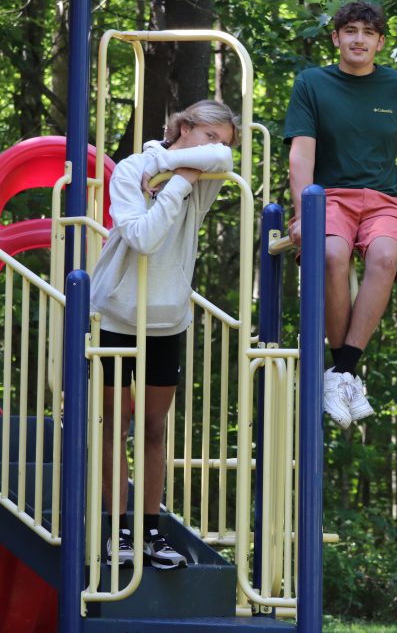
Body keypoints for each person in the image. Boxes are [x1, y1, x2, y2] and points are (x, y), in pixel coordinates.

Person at [90, 100, 239, 568]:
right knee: (115, 426)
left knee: (153, 430)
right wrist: (176, 177)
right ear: (185, 126)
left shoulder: (197, 169)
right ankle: (117, 532)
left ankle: (152, 532)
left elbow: (225, 160)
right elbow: (144, 238)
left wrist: (174, 168)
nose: (216, 149)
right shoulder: (132, 168)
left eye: (223, 140)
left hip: (166, 319)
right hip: (117, 315)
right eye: (209, 135)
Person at [284, 0, 397, 429]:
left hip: (384, 201)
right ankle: (342, 371)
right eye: (350, 31)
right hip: (329, 198)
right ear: (336, 38)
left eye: (367, 32)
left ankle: (343, 371)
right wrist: (301, 212)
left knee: (385, 256)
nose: (358, 39)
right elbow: (300, 156)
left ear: (380, 42)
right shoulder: (312, 83)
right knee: (330, 255)